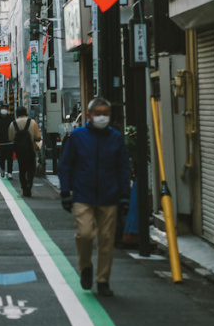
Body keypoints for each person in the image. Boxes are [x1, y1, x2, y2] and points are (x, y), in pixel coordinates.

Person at [58, 96, 131, 298]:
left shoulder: (115, 138)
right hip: (83, 195)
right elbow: (66, 166)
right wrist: (65, 192)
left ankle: (103, 280)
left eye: (105, 113)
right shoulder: (78, 136)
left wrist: (125, 195)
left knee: (106, 240)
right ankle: (86, 266)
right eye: (97, 113)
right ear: (89, 116)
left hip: (109, 196)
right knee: (85, 234)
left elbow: (123, 168)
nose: (101, 117)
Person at [9, 106, 42, 197]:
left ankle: (24, 187)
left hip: (19, 151)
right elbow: (38, 137)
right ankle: (29, 185)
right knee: (31, 169)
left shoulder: (13, 124)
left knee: (22, 169)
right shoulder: (32, 122)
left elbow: (11, 138)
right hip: (31, 150)